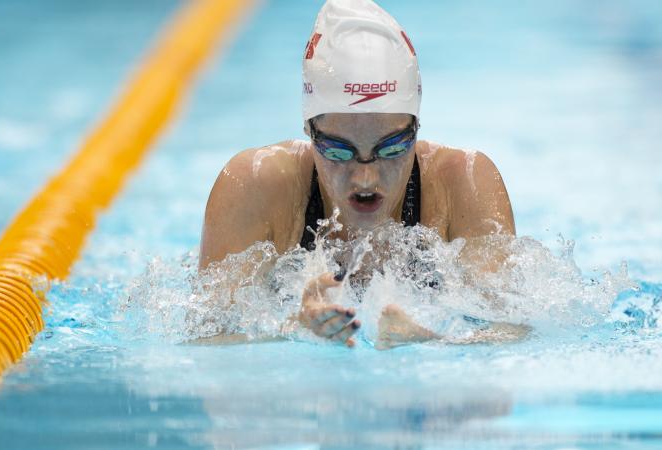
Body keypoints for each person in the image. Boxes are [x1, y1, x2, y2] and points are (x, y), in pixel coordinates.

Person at [198, 0, 518, 348]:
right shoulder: (255, 185)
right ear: (309, 129)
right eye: (339, 151)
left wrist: (432, 342)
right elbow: (207, 344)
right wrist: (293, 328)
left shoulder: (463, 183)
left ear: (417, 126)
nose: (366, 178)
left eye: (392, 148)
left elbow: (512, 333)